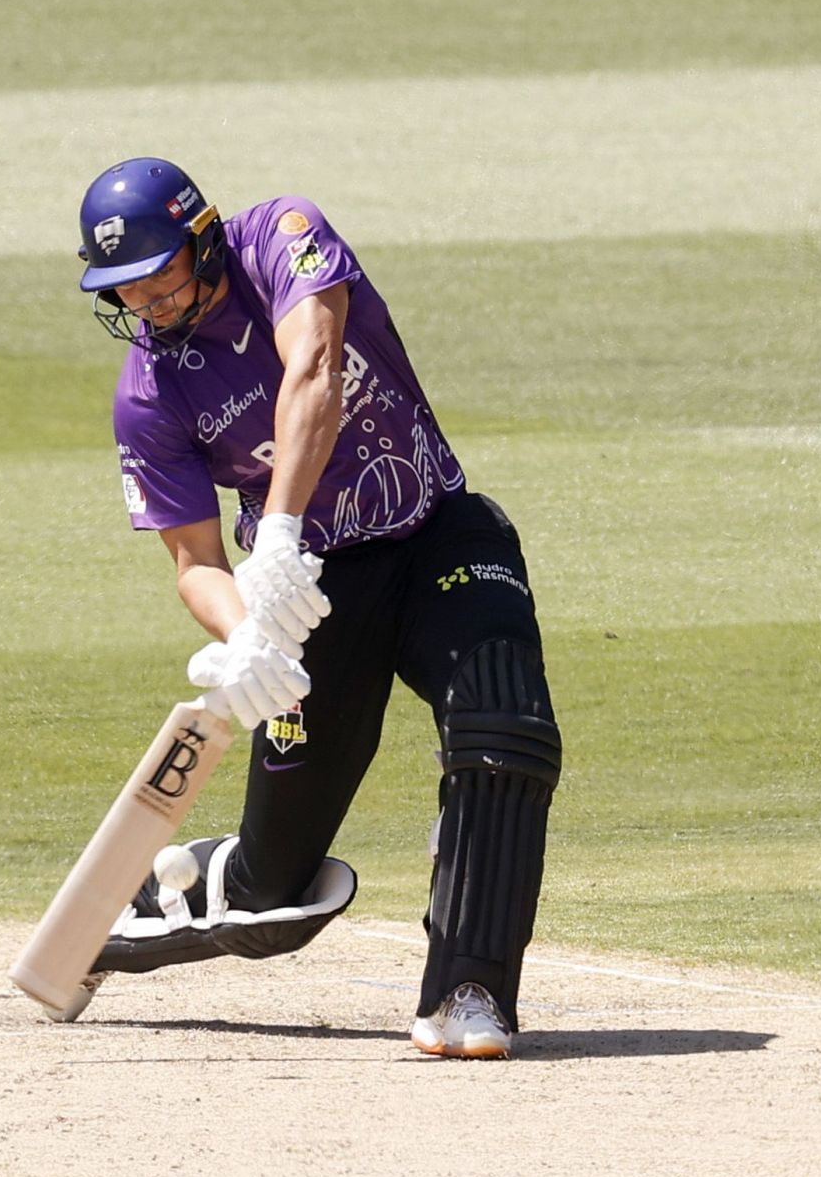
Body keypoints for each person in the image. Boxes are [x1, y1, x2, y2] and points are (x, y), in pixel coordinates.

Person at [71, 159, 562, 1058]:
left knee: (504, 730)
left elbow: (316, 366)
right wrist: (247, 631)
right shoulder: (148, 396)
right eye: (124, 287)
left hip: (433, 532)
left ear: (205, 234)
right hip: (307, 601)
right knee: (277, 898)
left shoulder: (282, 238)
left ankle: (467, 989)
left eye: (160, 272)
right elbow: (193, 561)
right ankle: (142, 905)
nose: (147, 299)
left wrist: (282, 531)